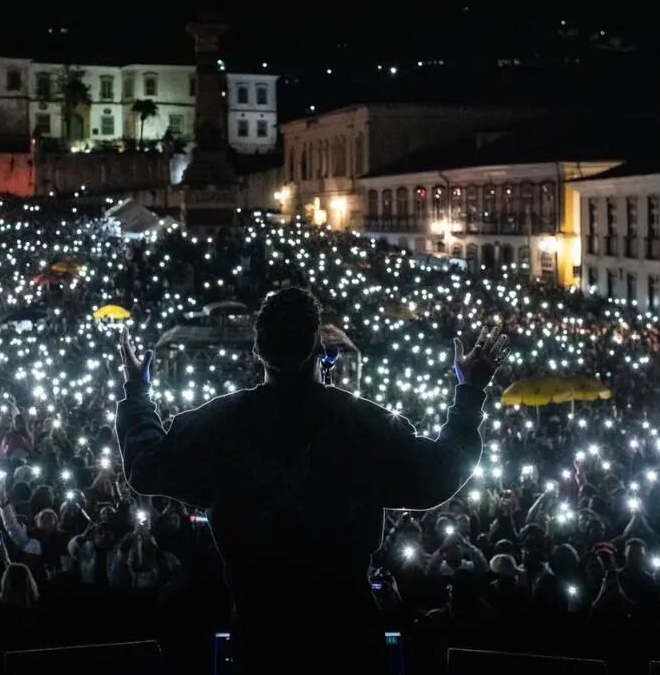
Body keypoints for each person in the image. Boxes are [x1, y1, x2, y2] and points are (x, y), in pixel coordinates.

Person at [116, 287, 509, 674]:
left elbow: (146, 465)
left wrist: (138, 393)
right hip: (346, 637)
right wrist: (470, 392)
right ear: (319, 346)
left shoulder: (221, 424)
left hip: (262, 637)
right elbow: (440, 472)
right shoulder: (362, 424)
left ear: (258, 351)